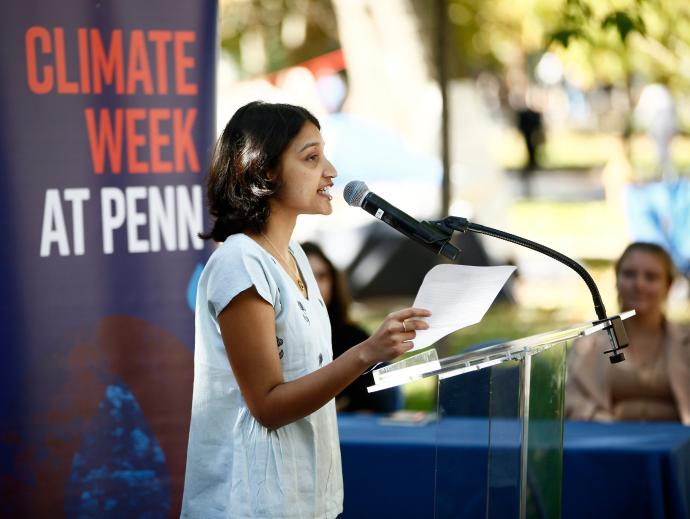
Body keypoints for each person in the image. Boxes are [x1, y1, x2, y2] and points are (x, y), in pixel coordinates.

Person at [180, 101, 431, 518]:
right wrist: (367, 352)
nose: (331, 171)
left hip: (306, 497)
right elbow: (268, 405)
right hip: (248, 504)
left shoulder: (294, 255)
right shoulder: (240, 263)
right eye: (311, 157)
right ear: (264, 171)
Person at [566, 242, 690, 424]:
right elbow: (571, 400)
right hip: (609, 445)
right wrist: (601, 420)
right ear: (616, 280)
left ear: (669, 285)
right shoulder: (589, 342)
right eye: (629, 274)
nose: (639, 284)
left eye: (651, 277)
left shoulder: (686, 342)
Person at [301, 241, 403, 413]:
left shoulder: (356, 338)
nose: (315, 285)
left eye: (322, 276)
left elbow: (382, 406)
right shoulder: (274, 338)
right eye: (306, 276)